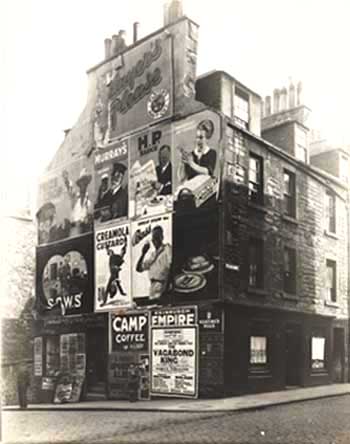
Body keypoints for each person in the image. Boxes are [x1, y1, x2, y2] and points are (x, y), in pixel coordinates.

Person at [136, 225, 171, 301]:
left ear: (162, 237)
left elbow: (172, 266)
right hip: (153, 287)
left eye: (157, 237)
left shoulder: (167, 249)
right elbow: (138, 268)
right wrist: (143, 253)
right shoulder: (153, 255)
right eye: (153, 237)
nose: (154, 240)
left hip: (163, 285)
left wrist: (167, 287)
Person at [62, 168, 93, 235]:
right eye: (82, 182)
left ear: (87, 184)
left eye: (85, 183)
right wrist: (66, 180)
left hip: (85, 231)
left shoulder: (88, 203)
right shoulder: (75, 199)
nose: (83, 185)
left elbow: (90, 218)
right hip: (74, 230)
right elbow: (70, 190)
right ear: (79, 184)